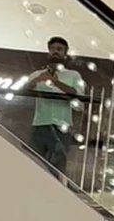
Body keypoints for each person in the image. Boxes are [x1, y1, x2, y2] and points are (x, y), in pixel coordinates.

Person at [26, 36, 84, 176]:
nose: (55, 52)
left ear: (65, 53)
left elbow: (79, 103)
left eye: (59, 49)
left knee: (57, 167)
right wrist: (36, 81)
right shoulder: (36, 75)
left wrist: (56, 82)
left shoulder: (73, 75)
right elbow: (22, 92)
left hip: (62, 127)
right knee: (33, 163)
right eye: (52, 49)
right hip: (39, 124)